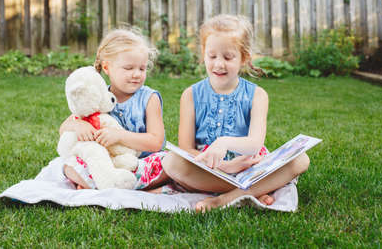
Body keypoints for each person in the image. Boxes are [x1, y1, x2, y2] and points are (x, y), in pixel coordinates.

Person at [161, 14, 310, 212]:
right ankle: (257, 190)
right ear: (204, 54)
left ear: (244, 58)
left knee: (301, 159)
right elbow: (186, 149)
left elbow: (255, 144)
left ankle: (224, 200)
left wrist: (225, 143)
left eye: (228, 57)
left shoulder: (258, 95)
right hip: (210, 170)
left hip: (249, 166)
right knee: (171, 162)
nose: (218, 64)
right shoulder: (190, 95)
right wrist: (224, 166)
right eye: (212, 56)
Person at [60, 28, 168, 191]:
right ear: (107, 67)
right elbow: (64, 127)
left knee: (169, 163)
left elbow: (156, 142)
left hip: (141, 165)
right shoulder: (98, 97)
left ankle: (93, 184)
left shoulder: (149, 98)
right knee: (68, 165)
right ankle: (108, 182)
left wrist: (119, 136)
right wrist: (78, 125)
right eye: (128, 68)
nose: (136, 74)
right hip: (108, 165)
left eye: (142, 68)